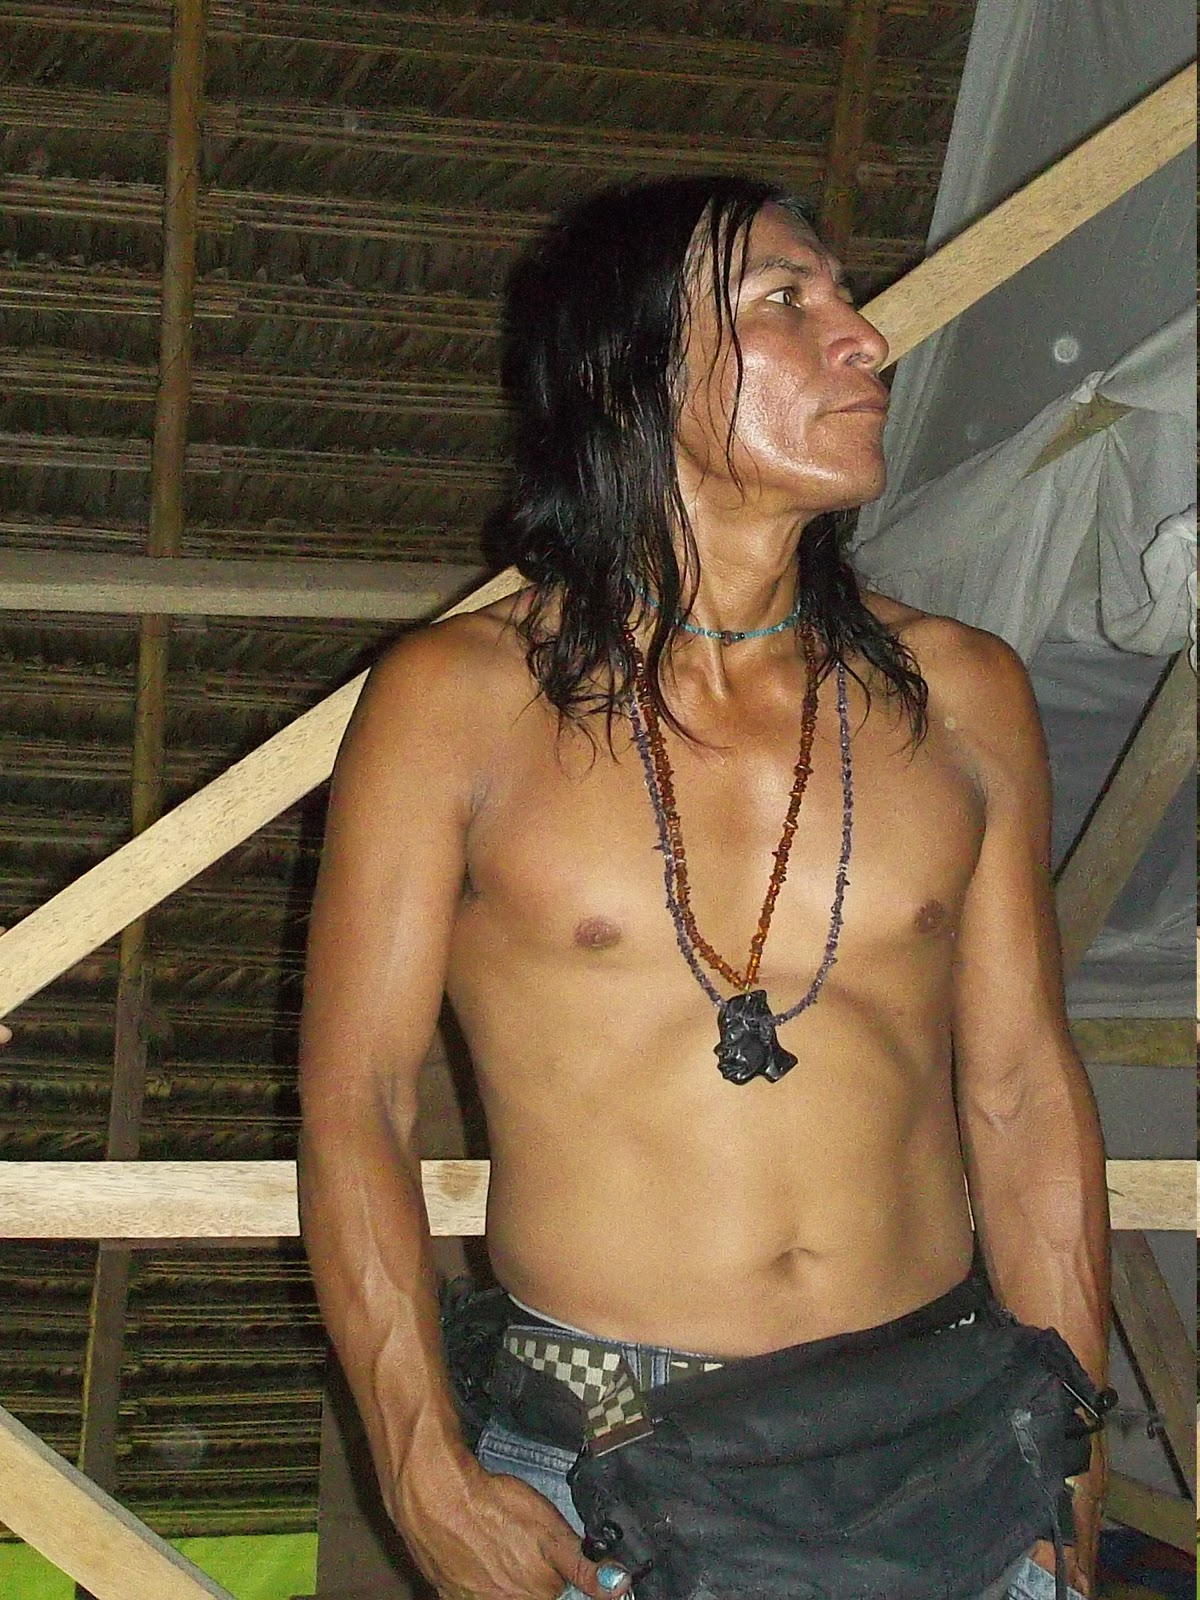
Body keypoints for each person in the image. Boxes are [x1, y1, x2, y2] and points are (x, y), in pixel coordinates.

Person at [298, 175, 1109, 1600]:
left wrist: (1072, 1458)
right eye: (786, 300)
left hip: (948, 1444)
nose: (865, 338)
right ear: (633, 374)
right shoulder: (457, 703)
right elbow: (353, 1100)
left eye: (841, 296)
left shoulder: (961, 694)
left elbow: (1023, 1092)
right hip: (605, 1455)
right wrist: (422, 1465)